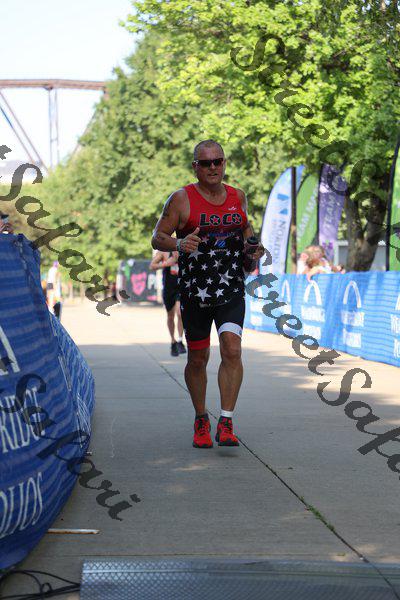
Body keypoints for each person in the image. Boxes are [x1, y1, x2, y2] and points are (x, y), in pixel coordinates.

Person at [151, 139, 264, 448]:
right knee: (198, 358)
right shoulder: (181, 199)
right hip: (195, 292)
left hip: (230, 289)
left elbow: (245, 230)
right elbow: (157, 237)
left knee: (232, 350)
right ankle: (201, 418)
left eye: (218, 161)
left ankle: (226, 421)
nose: (213, 167)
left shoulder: (237, 196)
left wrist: (253, 246)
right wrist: (178, 243)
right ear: (195, 167)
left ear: (224, 163)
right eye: (206, 163)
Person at [149, 249, 186, 356]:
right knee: (170, 316)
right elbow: (152, 266)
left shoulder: (184, 250)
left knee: (180, 313)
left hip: (181, 287)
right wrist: (166, 264)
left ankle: (180, 340)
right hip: (169, 289)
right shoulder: (164, 252)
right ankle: (173, 341)